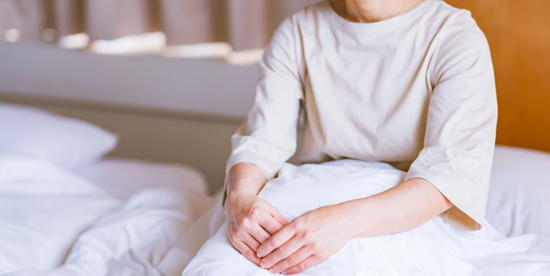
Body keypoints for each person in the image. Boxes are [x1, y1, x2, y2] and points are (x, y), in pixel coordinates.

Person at [223, 0, 497, 274]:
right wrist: (240, 197)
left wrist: (345, 222)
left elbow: (447, 177)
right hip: (315, 194)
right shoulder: (297, 31)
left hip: (404, 214)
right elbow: (261, 143)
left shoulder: (454, 37)